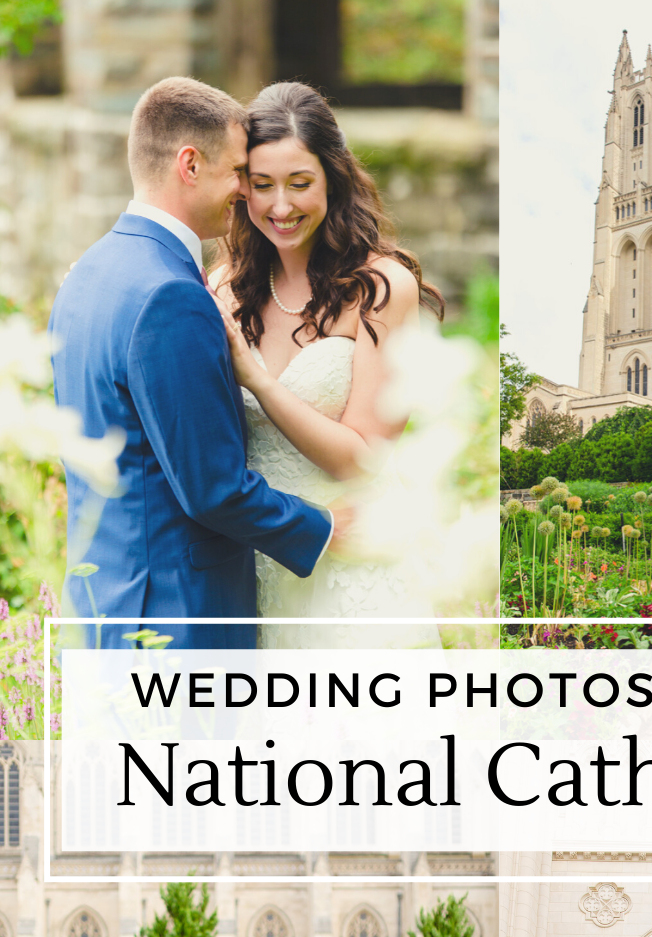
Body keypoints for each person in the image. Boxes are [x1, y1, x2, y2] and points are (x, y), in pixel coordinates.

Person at [50, 76, 336, 650]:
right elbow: (212, 488)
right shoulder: (169, 294)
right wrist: (325, 531)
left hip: (102, 606)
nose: (244, 191)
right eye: (237, 172)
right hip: (174, 619)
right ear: (189, 165)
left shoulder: (87, 273)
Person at [210, 81, 445, 648]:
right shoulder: (221, 287)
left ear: (333, 180)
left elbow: (361, 459)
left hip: (353, 563)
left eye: (300, 183)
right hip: (260, 562)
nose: (280, 206)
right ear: (240, 188)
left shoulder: (382, 286)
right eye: (262, 185)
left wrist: (257, 380)